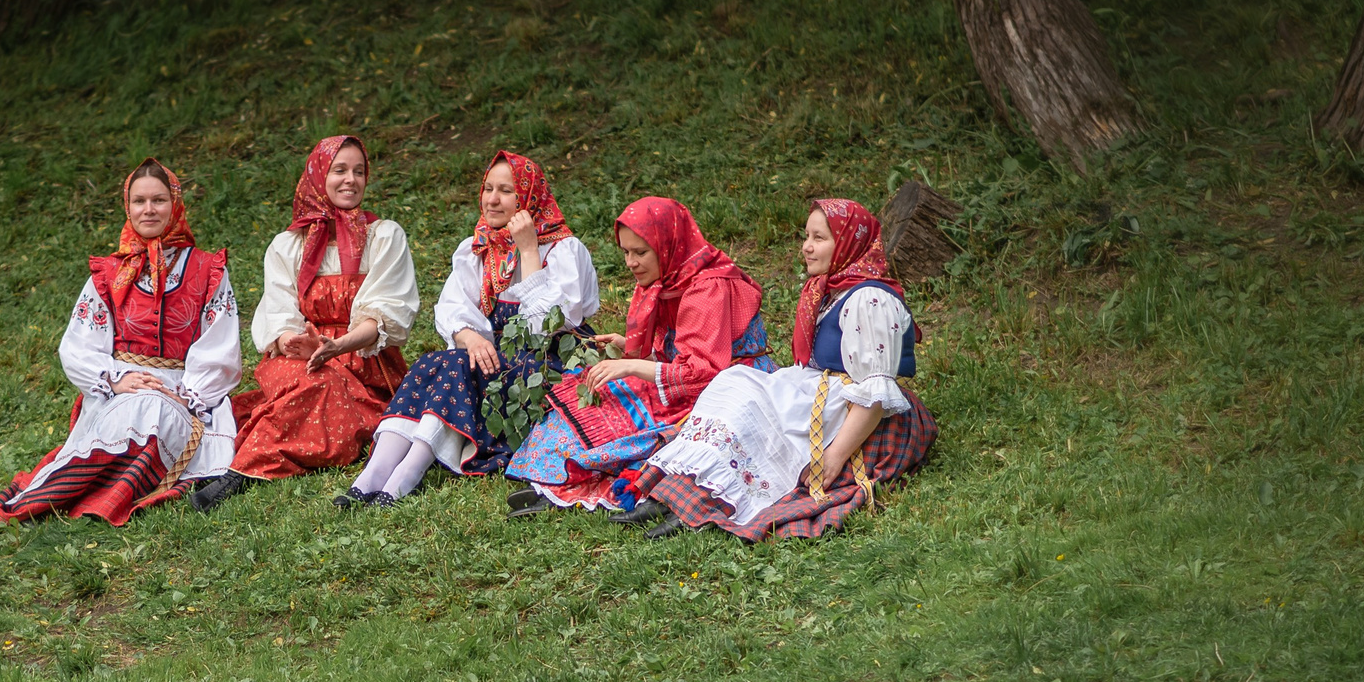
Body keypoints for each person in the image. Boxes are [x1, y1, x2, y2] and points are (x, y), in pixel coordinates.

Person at [627, 197, 934, 541]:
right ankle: (680, 497)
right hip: (818, 387)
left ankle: (702, 508)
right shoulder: (832, 288)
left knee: (757, 418)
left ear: (849, 243)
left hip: (852, 407)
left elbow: (875, 394)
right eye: (807, 236)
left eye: (819, 238)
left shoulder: (871, 301)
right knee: (734, 387)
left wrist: (833, 457)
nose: (807, 247)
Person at [0, 160, 240, 527]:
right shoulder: (108, 275)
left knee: (154, 411)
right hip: (119, 386)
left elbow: (221, 344)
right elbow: (78, 345)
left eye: (159, 200)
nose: (149, 210)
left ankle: (106, 494)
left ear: (176, 205)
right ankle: (66, 492)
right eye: (140, 201)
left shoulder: (207, 269)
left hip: (181, 389)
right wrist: (115, 380)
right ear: (128, 207)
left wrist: (188, 394)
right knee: (137, 410)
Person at [343, 151, 600, 507]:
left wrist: (528, 250)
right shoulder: (477, 249)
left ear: (529, 198)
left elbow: (551, 324)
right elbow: (452, 307)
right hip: (497, 359)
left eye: (507, 191)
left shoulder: (563, 249)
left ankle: (404, 477)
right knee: (438, 363)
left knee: (457, 368)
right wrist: (468, 335)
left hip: (546, 366)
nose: (492, 200)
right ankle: (374, 474)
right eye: (488, 189)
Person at [197, 136, 421, 511]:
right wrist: (292, 343)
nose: (351, 179)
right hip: (300, 356)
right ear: (319, 176)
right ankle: (241, 469)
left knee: (324, 392)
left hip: (363, 360)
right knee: (316, 382)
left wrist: (338, 346)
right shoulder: (288, 245)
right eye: (340, 170)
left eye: (359, 171)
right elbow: (280, 314)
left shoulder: (384, 236)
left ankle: (237, 470)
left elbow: (385, 312)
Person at [503, 196, 763, 517]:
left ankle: (575, 484)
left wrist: (630, 364)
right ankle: (552, 483)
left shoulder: (708, 288)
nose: (631, 262)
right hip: (685, 380)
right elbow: (679, 350)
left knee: (648, 426)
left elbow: (703, 371)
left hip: (730, 385)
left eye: (640, 252)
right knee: (592, 391)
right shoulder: (665, 280)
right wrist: (627, 346)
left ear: (668, 245)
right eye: (625, 252)